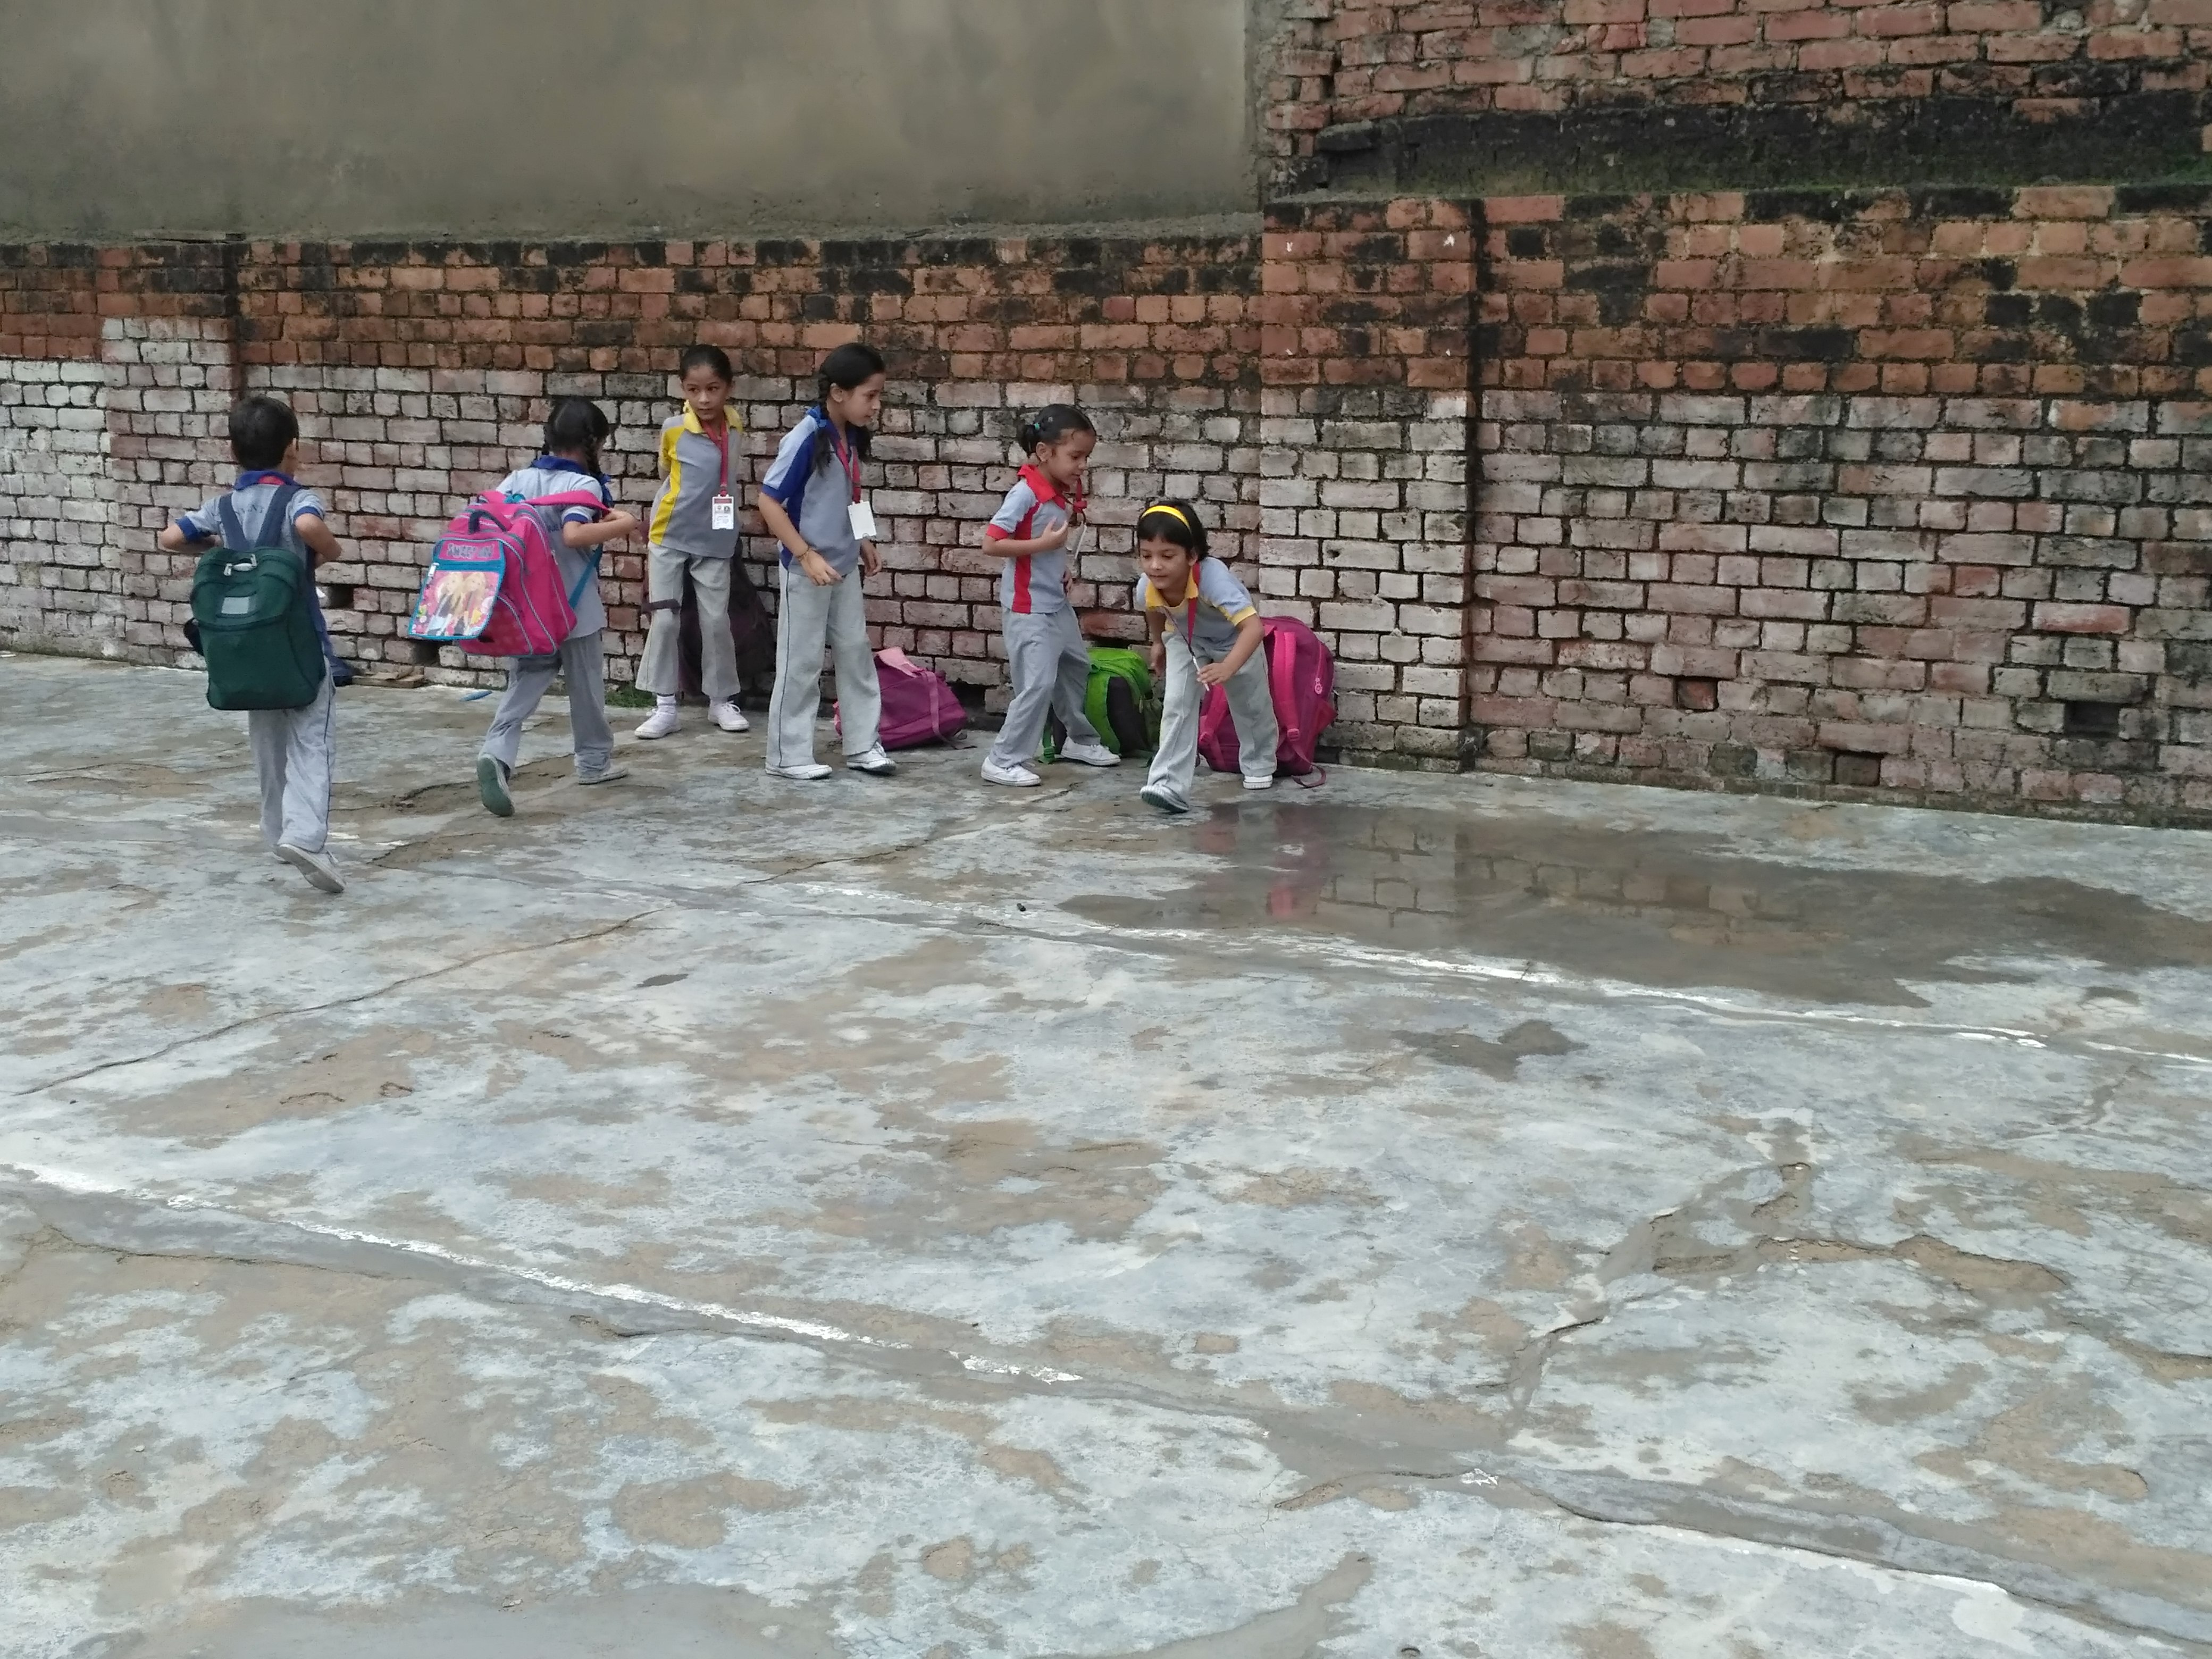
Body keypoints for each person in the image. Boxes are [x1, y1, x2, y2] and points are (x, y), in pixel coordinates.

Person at [159, 395, 350, 893]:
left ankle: (276, 832)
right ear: (293, 449)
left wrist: (216, 547)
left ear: (232, 451)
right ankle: (305, 837)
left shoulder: (222, 507)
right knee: (311, 740)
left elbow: (170, 538)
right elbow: (308, 526)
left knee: (267, 743)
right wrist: (329, 551)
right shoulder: (298, 499)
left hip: (246, 652)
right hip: (300, 645)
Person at [475, 398, 641, 817]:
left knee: (525, 682)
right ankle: (593, 763)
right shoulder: (583, 486)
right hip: (574, 606)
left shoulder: (517, 480)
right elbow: (574, 534)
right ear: (594, 443)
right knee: (586, 688)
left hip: (525, 606)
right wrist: (625, 523)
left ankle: (497, 752)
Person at [756, 341, 895, 781]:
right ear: (838, 392)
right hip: (806, 571)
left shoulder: (849, 436)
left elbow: (848, 494)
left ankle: (862, 744)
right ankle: (786, 755)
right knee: (801, 662)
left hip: (843, 566)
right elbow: (769, 502)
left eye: (878, 395)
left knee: (855, 654)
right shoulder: (804, 438)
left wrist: (862, 539)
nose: (876, 405)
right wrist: (805, 554)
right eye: (869, 395)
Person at [979, 405, 1120, 786]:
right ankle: (1002, 759)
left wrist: (1061, 569)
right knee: (1037, 685)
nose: (1083, 466)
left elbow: (1046, 547)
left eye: (1086, 457)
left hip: (1055, 603)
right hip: (1029, 610)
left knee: (1076, 667)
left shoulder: (1056, 490)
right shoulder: (1025, 493)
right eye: (1076, 456)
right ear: (1044, 452)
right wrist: (1042, 545)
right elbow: (992, 544)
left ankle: (1078, 740)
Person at [1133, 499, 1279, 815]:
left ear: (1192, 556)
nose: (1155, 566)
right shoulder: (1147, 585)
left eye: (1167, 556)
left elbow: (1254, 627)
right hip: (1185, 639)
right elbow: (1153, 609)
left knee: (1251, 705)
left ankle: (1259, 763)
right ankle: (1168, 784)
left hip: (1234, 640)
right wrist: (1157, 643)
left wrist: (1228, 667)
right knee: (1176, 704)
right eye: (1146, 555)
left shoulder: (1214, 580)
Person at [635, 345, 748, 740]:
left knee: (716, 621)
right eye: (694, 389)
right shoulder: (674, 429)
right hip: (670, 534)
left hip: (716, 536)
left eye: (713, 389)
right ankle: (665, 706)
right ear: (682, 388)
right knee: (666, 619)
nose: (703, 399)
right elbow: (665, 471)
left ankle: (721, 701)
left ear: (729, 388)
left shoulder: (735, 425)